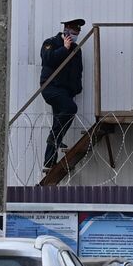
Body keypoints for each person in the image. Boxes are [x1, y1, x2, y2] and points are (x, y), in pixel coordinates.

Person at [40, 18, 85, 168]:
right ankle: (54, 139)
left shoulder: (76, 49)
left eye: (77, 31)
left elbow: (78, 71)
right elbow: (48, 59)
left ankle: (49, 161)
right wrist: (64, 49)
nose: (75, 34)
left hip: (66, 91)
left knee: (57, 122)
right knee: (71, 108)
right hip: (51, 87)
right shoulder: (51, 42)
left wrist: (76, 88)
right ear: (65, 29)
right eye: (73, 31)